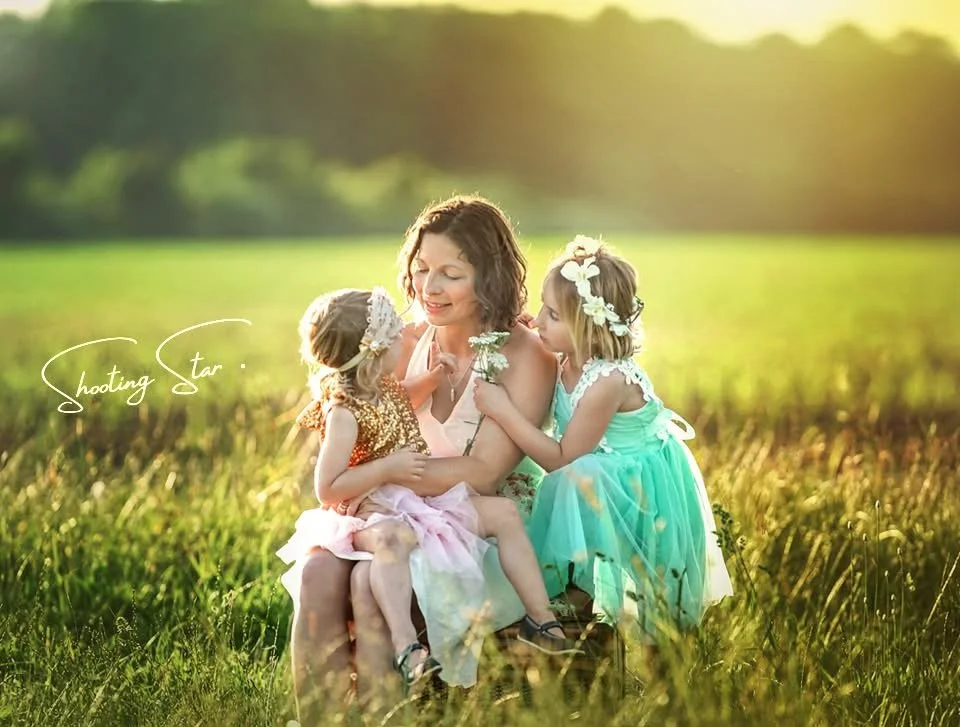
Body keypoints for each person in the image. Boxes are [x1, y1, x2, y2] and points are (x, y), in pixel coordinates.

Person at [286, 196, 558, 722]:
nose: (429, 289)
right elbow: (350, 421)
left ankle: (385, 714)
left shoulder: (526, 355)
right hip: (387, 511)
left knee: (369, 579)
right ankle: (319, 718)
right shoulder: (401, 340)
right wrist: (362, 488)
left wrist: (370, 483)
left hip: (477, 519)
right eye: (421, 270)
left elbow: (483, 473)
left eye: (450, 274)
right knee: (318, 572)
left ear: (490, 277)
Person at [473, 235, 734, 644]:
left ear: (588, 326)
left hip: (639, 484)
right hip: (601, 474)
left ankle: (654, 657)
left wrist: (503, 410)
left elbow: (561, 458)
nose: (539, 320)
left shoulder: (606, 381)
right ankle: (576, 598)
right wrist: (533, 326)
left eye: (553, 315)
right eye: (542, 306)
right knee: (578, 480)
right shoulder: (567, 355)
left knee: (581, 485)